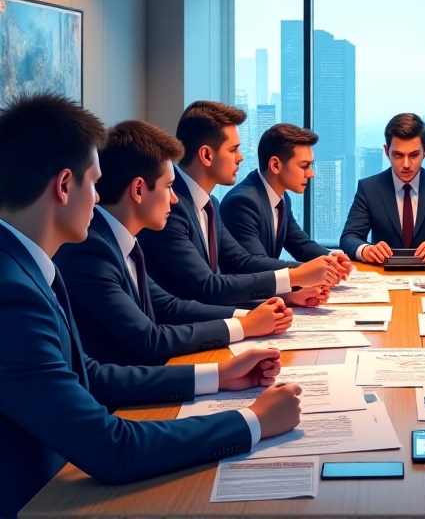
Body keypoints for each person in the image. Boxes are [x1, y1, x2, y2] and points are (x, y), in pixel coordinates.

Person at [0, 93, 303, 518]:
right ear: (65, 186)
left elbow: (91, 377)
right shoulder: (13, 295)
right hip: (43, 499)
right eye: (94, 183)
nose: (99, 196)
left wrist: (218, 375)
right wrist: (251, 422)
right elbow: (111, 448)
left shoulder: (27, 266)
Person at [54, 121, 300, 366]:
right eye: (169, 187)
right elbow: (149, 340)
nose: (174, 199)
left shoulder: (118, 241)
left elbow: (169, 306)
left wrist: (249, 317)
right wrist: (243, 326)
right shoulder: (92, 251)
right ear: (138, 190)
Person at [137, 101, 340, 306]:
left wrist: (288, 293)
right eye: (233, 149)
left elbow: (241, 261)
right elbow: (207, 287)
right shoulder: (168, 207)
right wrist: (295, 276)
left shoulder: (211, 204)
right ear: (207, 155)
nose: (240, 158)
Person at [339, 112, 425, 263]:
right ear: (386, 152)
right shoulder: (369, 188)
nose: (406, 164)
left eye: (414, 155)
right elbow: (349, 237)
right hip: (382, 276)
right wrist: (366, 250)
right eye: (398, 155)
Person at [220, 123, 350, 275]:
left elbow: (299, 243)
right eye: (304, 166)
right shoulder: (242, 202)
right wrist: (307, 271)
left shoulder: (281, 197)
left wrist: (330, 258)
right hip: (248, 296)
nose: (311, 174)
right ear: (275, 165)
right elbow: (254, 264)